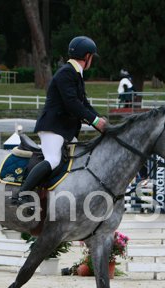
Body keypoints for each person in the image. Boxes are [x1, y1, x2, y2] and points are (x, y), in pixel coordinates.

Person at [10, 36, 107, 210]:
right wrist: (94, 121)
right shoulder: (66, 73)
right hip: (53, 127)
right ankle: (22, 194)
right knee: (53, 160)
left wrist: (100, 121)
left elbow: (84, 103)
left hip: (65, 129)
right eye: (92, 56)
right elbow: (72, 103)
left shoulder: (75, 73)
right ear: (87, 56)